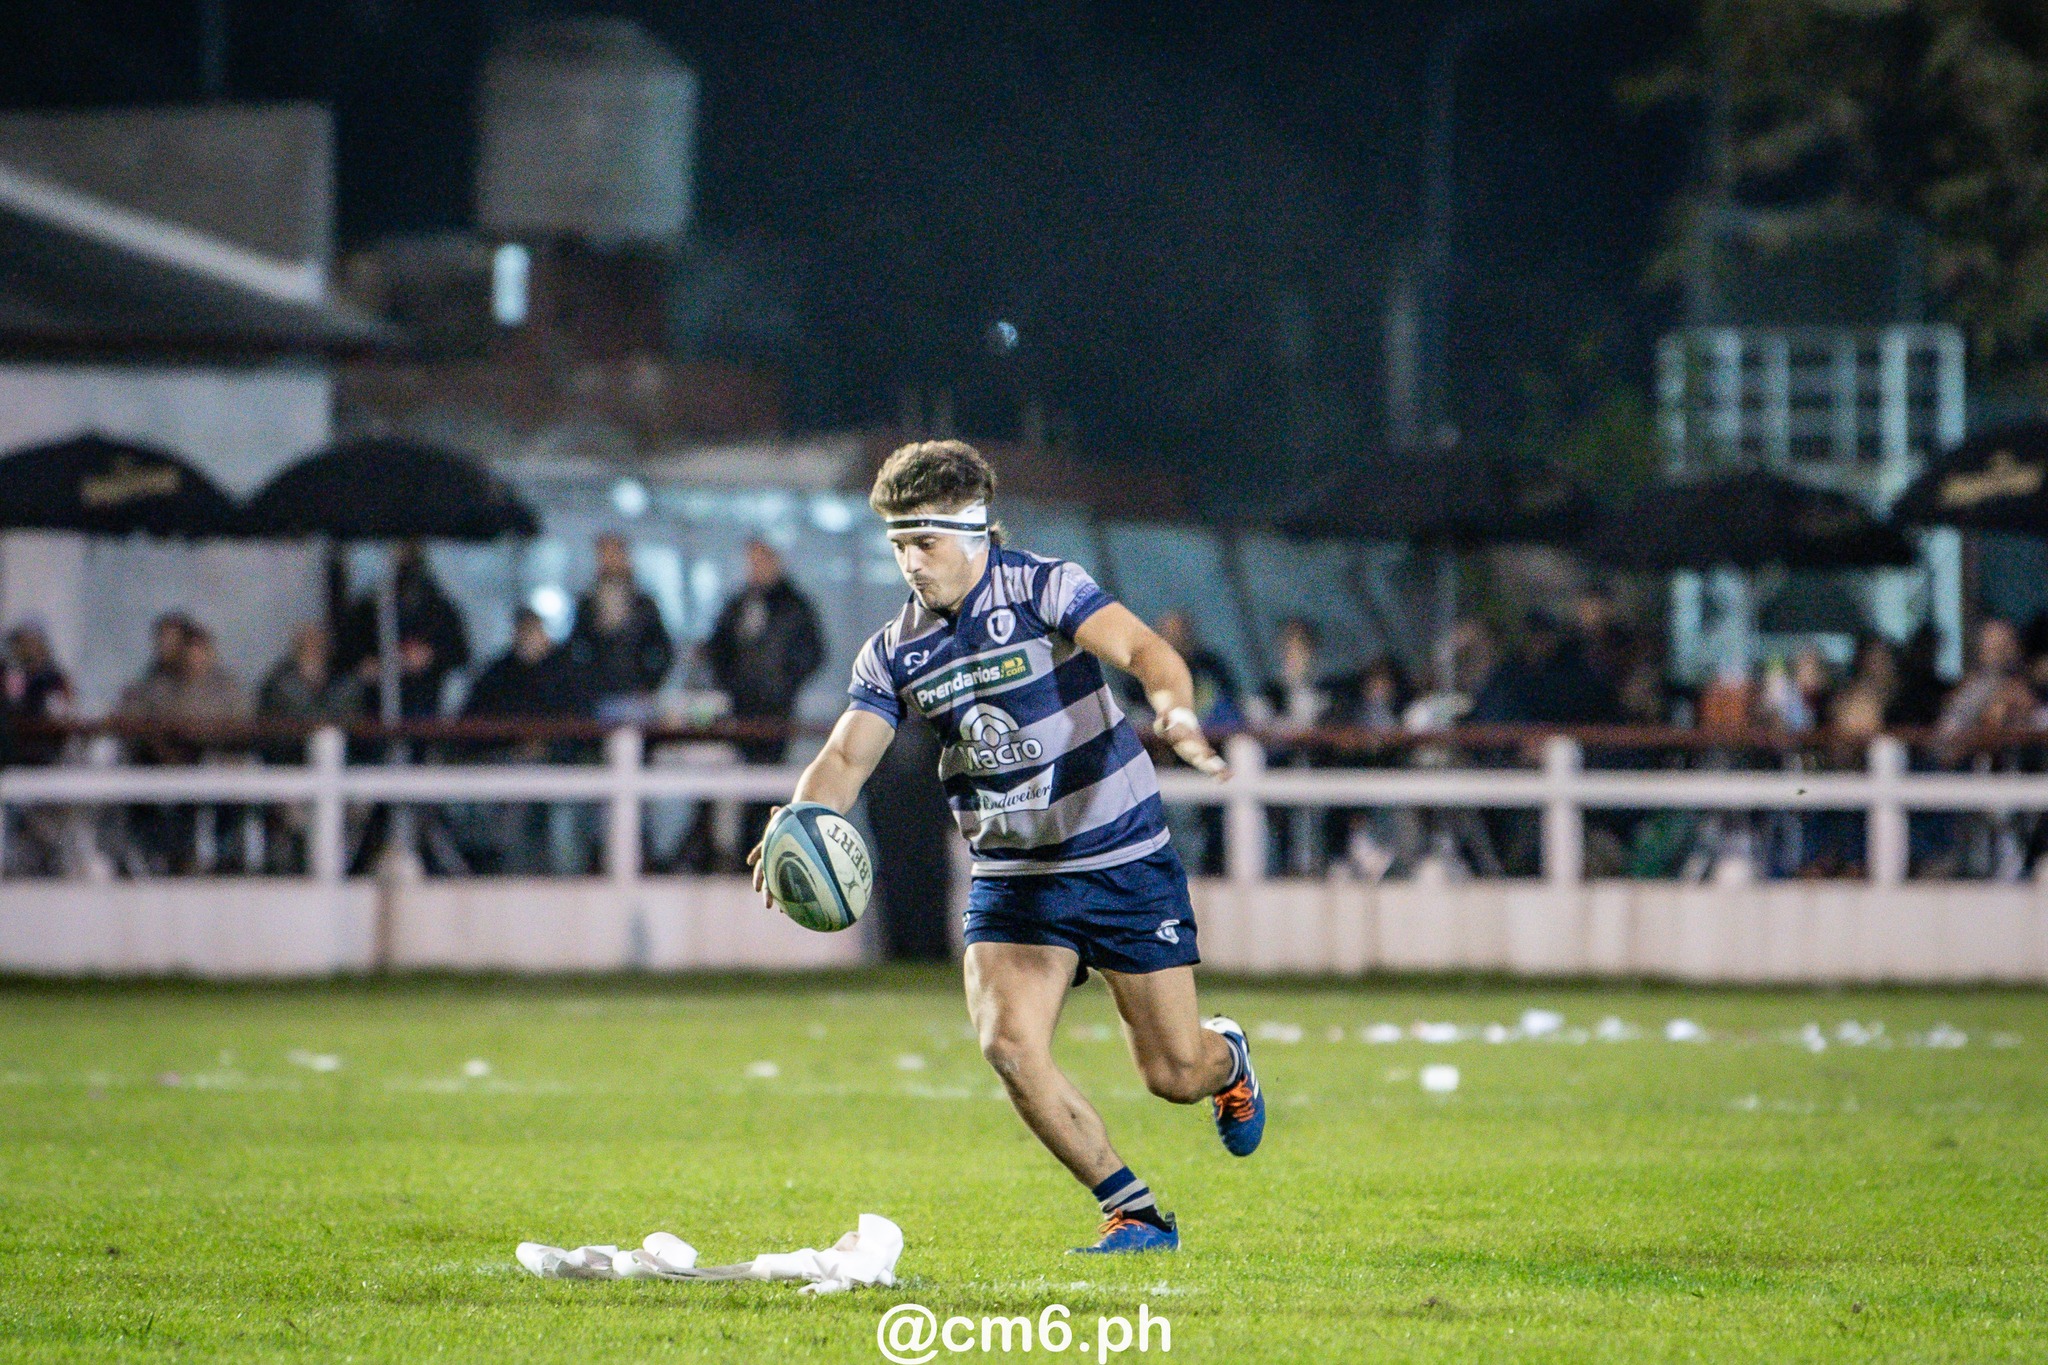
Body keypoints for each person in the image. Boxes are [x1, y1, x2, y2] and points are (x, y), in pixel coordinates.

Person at [748, 439, 1263, 1255]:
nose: (911, 563)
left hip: (1119, 852)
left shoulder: (1041, 586)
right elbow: (848, 755)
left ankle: (1226, 1061)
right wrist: (798, 821)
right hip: (1015, 877)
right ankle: (1132, 1210)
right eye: (898, 546)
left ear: (975, 532)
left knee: (1173, 1075)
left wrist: (1174, 708)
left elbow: (1143, 651)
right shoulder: (895, 651)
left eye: (925, 543)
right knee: (1009, 1044)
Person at [704, 538, 825, 861]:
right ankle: (742, 852)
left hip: (775, 711)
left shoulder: (794, 606)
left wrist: (784, 682)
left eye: (761, 561)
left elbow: (813, 652)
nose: (755, 569)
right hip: (741, 712)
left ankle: (768, 852)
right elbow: (717, 648)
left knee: (769, 787)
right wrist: (730, 684)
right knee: (739, 786)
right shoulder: (739, 604)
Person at [463, 608, 586, 873]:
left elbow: (580, 722)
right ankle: (503, 869)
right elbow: (471, 719)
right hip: (502, 762)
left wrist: (548, 746)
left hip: (558, 764)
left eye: (534, 630)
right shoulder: (499, 673)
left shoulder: (565, 672)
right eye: (523, 631)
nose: (528, 637)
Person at [336, 542, 471, 720]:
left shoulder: (437, 608)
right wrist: (366, 666)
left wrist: (431, 656)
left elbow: (459, 652)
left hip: (423, 704)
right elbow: (348, 655)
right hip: (374, 706)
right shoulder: (369, 608)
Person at [565, 533, 674, 719]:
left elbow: (662, 649)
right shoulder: (586, 605)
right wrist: (587, 684)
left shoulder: (644, 605)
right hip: (598, 697)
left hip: (635, 696)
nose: (609, 560)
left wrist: (648, 683)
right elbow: (576, 649)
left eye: (614, 553)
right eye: (604, 554)